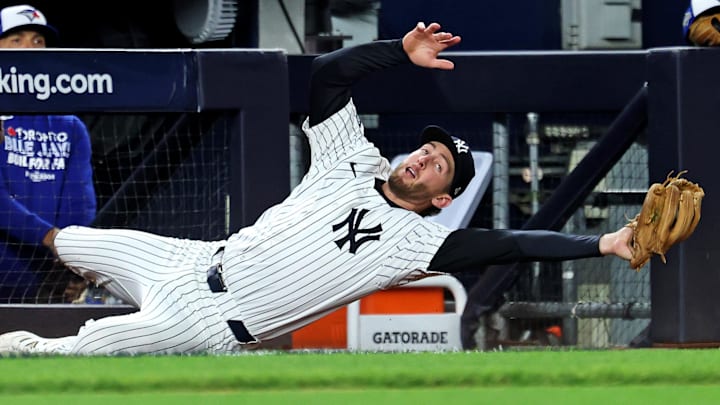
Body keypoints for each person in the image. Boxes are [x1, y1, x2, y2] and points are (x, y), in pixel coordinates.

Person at [0, 21, 633, 355]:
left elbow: (514, 244)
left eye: (439, 165)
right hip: (189, 260)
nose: (423, 160)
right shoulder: (351, 160)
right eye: (427, 149)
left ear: (443, 197)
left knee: (72, 352)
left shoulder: (418, 244)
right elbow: (328, 74)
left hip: (207, 319)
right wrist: (397, 53)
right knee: (74, 239)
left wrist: (602, 244)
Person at [0, 4, 96, 303]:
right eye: (16, 40)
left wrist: (75, 259)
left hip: (46, 277)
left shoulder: (69, 125)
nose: (29, 48)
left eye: (37, 40)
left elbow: (79, 205)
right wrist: (51, 238)